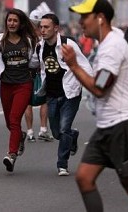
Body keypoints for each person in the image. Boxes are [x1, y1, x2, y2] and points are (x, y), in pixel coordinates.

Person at [63, 0, 128, 211]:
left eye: (85, 16)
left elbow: (99, 88)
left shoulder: (112, 48)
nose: (81, 21)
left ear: (100, 18)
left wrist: (74, 65)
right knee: (84, 177)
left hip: (123, 126)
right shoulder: (109, 40)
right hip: (106, 127)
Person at [31, 13, 92, 176]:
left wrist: (91, 86)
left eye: (46, 27)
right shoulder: (40, 46)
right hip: (51, 94)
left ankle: (62, 164)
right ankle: (73, 135)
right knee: (57, 132)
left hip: (70, 93)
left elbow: (85, 66)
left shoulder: (68, 44)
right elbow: (35, 63)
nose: (42, 30)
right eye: (41, 27)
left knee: (64, 128)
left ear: (56, 28)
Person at [0, 8, 38, 172]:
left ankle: (11, 154)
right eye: (9, 20)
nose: (12, 23)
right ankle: (20, 136)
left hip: (24, 85)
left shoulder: (28, 40)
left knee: (15, 119)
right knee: (9, 122)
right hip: (6, 85)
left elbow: (35, 62)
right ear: (6, 22)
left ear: (20, 23)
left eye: (15, 21)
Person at [24, 9, 52, 143]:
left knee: (27, 102)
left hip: (26, 72)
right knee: (44, 100)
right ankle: (43, 129)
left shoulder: (24, 35)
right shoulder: (43, 35)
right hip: (39, 72)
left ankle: (30, 132)